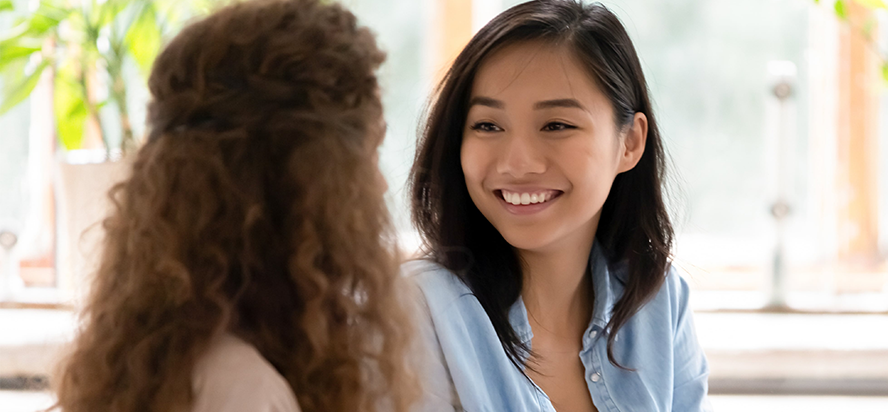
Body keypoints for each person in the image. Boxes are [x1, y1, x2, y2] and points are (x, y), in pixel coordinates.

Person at [52, 1, 418, 411]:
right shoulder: (244, 392)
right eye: (369, 153)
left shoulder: (169, 363)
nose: (380, 183)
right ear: (305, 183)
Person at [406, 1, 712, 411]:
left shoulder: (660, 302)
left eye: (557, 126)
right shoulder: (416, 309)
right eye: (488, 126)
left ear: (630, 143)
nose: (517, 163)